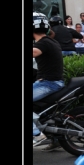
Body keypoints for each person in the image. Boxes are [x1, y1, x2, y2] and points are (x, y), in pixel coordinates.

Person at [32, 12, 64, 145]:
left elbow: (34, 52)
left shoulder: (43, 43)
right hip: (50, 82)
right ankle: (53, 137)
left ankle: (36, 134)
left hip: (49, 83)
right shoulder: (50, 41)